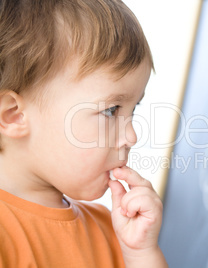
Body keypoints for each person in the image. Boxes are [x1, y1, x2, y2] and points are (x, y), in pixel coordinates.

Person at [0, 0, 168, 267]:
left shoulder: (113, 231)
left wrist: (140, 254)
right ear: (14, 115)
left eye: (133, 109)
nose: (132, 136)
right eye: (112, 110)